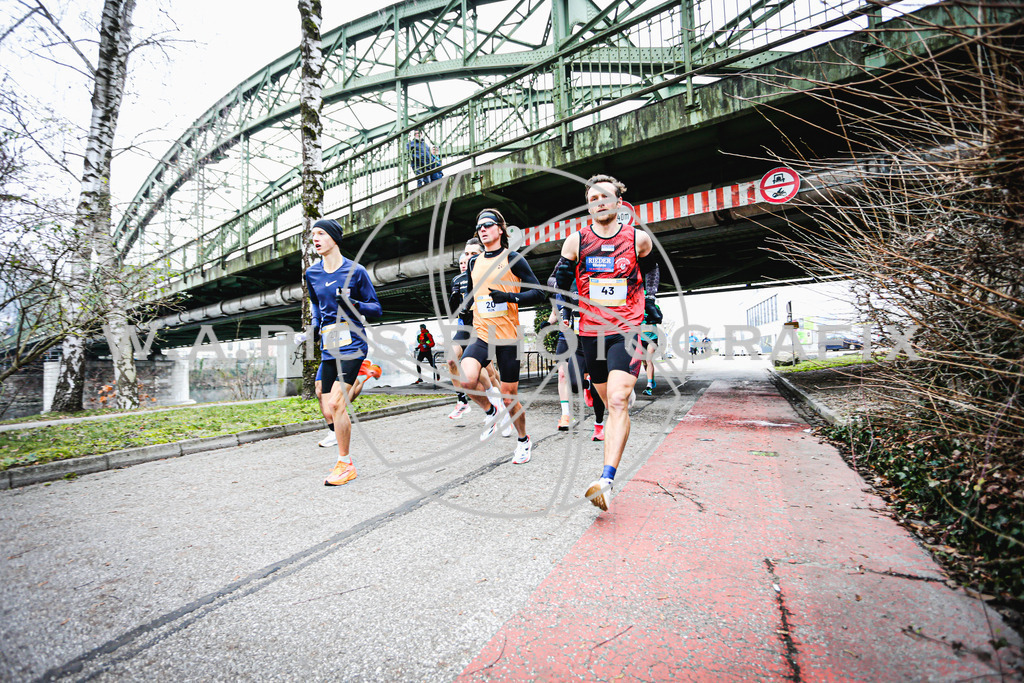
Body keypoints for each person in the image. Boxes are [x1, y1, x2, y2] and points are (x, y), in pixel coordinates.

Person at [551, 174, 662, 511]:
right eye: (593, 198)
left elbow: (652, 275)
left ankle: (606, 479)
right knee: (606, 398)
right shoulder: (576, 242)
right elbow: (560, 281)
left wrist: (651, 313)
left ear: (618, 202)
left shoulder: (638, 239)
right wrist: (563, 312)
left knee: (617, 400)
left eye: (605, 197)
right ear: (589, 205)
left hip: (627, 329)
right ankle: (608, 463)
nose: (599, 202)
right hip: (591, 333)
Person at [460, 208, 546, 464]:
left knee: (510, 397)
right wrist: (464, 304)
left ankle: (523, 440)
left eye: (488, 225)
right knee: (465, 380)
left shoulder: (513, 258)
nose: (483, 230)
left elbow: (539, 293)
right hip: (483, 333)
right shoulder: (474, 262)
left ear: (500, 229)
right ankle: (491, 409)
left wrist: (510, 297)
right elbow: (473, 293)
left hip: (508, 336)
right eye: (479, 227)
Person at [305, 218, 382, 486]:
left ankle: (345, 463)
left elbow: (376, 309)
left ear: (334, 238)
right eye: (312, 234)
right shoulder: (312, 274)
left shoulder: (356, 271)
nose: (315, 238)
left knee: (337, 404)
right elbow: (315, 304)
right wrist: (315, 326)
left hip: (353, 343)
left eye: (321, 234)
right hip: (329, 345)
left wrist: (352, 303)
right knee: (325, 403)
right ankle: (361, 378)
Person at [446, 238, 502, 419]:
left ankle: (503, 404)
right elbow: (453, 312)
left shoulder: (490, 274)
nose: (467, 261)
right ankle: (462, 401)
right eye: (465, 257)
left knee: (489, 373)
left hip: (484, 327)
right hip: (465, 327)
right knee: (451, 360)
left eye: (472, 255)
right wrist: (454, 302)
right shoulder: (457, 280)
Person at [546, 284, 607, 440]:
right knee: (566, 378)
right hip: (568, 339)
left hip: (593, 338)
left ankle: (599, 424)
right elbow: (556, 313)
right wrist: (548, 324)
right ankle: (567, 412)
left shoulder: (589, 286)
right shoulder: (560, 294)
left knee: (596, 383)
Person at [640, 307, 661, 396]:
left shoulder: (654, 306)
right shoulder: (637, 306)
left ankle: (649, 386)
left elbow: (659, 318)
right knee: (644, 362)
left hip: (652, 338)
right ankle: (651, 379)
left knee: (648, 360)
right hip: (641, 338)